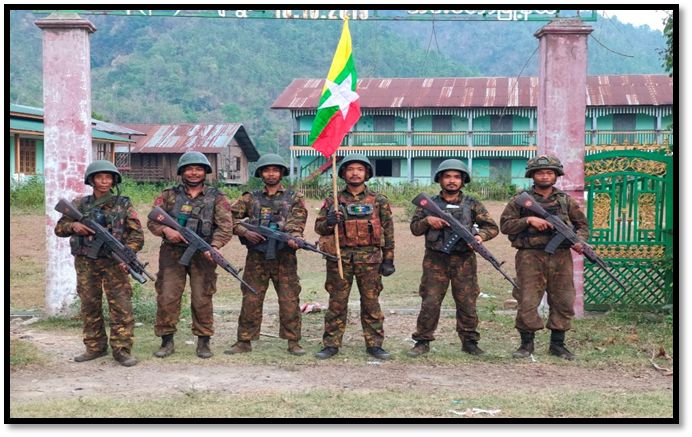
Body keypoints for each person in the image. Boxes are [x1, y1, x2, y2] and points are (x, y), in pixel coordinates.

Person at [54, 160, 143, 367]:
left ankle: (121, 350)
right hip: (87, 262)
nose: (104, 181)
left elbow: (136, 234)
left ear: (114, 180)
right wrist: (74, 226)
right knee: (89, 304)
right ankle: (95, 347)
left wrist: (128, 253)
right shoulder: (79, 204)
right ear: (91, 180)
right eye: (100, 177)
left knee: (121, 305)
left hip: (114, 262)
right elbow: (59, 229)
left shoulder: (123, 203)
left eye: (108, 178)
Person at [499, 155, 589, 361]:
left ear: (556, 175)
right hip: (529, 256)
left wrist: (579, 241)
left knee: (563, 299)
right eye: (540, 173)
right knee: (527, 299)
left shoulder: (566, 201)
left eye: (549, 172)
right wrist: (528, 220)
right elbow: (505, 226)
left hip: (561, 257)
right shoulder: (520, 200)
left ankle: (558, 344)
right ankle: (526, 345)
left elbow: (582, 226)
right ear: (532, 175)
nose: (545, 176)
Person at [407, 159, 499, 358]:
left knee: (467, 302)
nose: (452, 180)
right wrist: (427, 220)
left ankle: (469, 342)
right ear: (439, 179)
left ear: (463, 180)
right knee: (430, 301)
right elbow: (414, 228)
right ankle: (422, 341)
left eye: (457, 177)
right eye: (447, 176)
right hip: (435, 261)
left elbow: (492, 227)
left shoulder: (472, 204)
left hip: (464, 260)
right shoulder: (429, 204)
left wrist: (479, 237)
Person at [147, 151, 233, 359]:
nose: (194, 173)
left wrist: (215, 246)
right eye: (189, 169)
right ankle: (166, 341)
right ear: (182, 172)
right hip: (172, 253)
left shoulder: (217, 197)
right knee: (168, 296)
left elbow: (225, 226)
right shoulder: (169, 195)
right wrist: (166, 230)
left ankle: (203, 341)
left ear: (205, 172)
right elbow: (152, 220)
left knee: (202, 297)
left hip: (203, 253)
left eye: (198, 169)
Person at [313, 154, 395, 360]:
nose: (355, 173)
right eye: (350, 169)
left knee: (371, 303)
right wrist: (329, 221)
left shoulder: (379, 200)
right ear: (343, 173)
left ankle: (374, 345)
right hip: (340, 260)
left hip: (370, 261)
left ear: (367, 173)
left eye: (360, 169)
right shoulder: (333, 200)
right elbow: (319, 228)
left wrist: (389, 259)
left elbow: (388, 231)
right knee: (337, 303)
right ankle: (331, 344)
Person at [224, 153, 308, 356]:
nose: (271, 174)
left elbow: (297, 223)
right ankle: (244, 340)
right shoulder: (250, 198)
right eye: (267, 170)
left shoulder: (294, 198)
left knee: (289, 299)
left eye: (275, 170)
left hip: (284, 257)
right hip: (257, 257)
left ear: (281, 173)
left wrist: (294, 238)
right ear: (261, 173)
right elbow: (227, 218)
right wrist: (245, 232)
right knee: (251, 298)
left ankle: (293, 341)